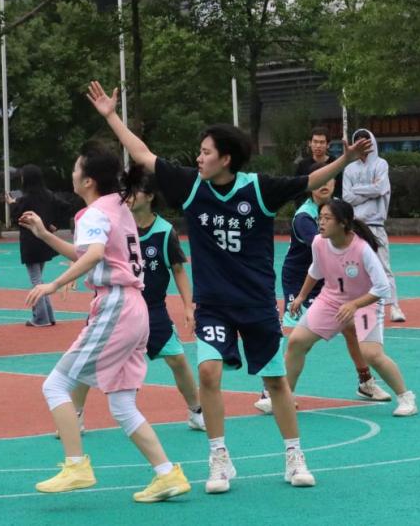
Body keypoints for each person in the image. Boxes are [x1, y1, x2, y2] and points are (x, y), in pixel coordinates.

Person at [87, 80, 372, 494]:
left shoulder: (257, 189)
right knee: (208, 371)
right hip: (214, 304)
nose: (198, 157)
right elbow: (144, 155)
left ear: (225, 158)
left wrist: (343, 160)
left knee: (276, 382)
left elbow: (309, 181)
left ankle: (294, 454)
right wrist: (112, 116)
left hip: (255, 302)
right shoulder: (191, 186)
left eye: (205, 152)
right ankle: (219, 457)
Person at [21, 141, 191, 502]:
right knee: (123, 405)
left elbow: (94, 254)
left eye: (76, 168)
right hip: (135, 308)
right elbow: (88, 254)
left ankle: (76, 465)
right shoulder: (118, 206)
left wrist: (53, 284)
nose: (72, 173)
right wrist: (46, 235)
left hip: (116, 306)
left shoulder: (94, 213)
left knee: (55, 385)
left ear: (87, 180)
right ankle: (167, 474)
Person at [53, 171, 205, 433]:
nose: (129, 196)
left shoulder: (164, 231)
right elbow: (89, 252)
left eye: (136, 191)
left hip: (152, 308)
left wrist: (188, 306)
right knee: (87, 360)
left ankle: (196, 411)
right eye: (126, 191)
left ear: (150, 196)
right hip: (112, 304)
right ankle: (75, 416)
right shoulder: (116, 221)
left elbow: (178, 270)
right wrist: (71, 272)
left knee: (178, 360)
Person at [255, 167, 390, 414]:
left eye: (329, 180)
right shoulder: (305, 217)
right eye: (319, 181)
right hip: (302, 279)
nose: (324, 185)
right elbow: (325, 244)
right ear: (310, 186)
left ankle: (366, 382)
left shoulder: (336, 208)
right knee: (295, 336)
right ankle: (271, 391)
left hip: (333, 279)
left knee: (351, 329)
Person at [284, 200, 417, 417]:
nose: (321, 223)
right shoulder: (318, 242)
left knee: (371, 354)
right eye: (320, 218)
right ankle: (285, 397)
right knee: (296, 341)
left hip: (366, 302)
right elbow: (316, 270)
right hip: (330, 300)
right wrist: (301, 297)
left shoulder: (362, 249)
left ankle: (406, 398)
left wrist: (355, 304)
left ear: (343, 223)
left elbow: (382, 287)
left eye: (327, 218)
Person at [342, 128, 405, 322]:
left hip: (376, 225)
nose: (363, 145)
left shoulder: (381, 164)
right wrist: (370, 191)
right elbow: (346, 197)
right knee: (355, 268)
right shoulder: (349, 169)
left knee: (384, 266)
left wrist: (357, 189)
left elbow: (381, 188)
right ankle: (359, 307)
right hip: (356, 226)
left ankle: (394, 307)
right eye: (358, 142)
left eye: (366, 141)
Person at [8, 164, 74, 327]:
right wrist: (54, 224)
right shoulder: (48, 195)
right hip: (45, 241)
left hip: (30, 242)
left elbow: (17, 217)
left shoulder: (25, 199)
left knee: (36, 280)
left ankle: (41, 317)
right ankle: (48, 315)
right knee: (40, 280)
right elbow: (66, 207)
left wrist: (12, 204)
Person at [293, 126, 341, 201]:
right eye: (315, 142)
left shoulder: (335, 163)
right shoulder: (302, 165)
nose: (318, 146)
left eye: (322, 142)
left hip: (332, 205)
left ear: (328, 145)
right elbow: (297, 190)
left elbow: (339, 189)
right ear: (310, 143)